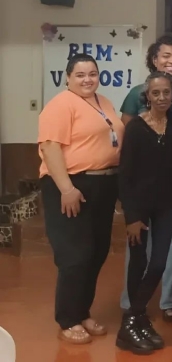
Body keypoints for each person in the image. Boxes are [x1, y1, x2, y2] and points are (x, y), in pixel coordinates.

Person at [38, 53, 124, 345]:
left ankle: (82, 311)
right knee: (75, 255)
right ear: (67, 78)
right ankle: (68, 319)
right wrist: (66, 189)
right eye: (80, 75)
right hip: (71, 185)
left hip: (103, 184)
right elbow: (50, 148)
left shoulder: (103, 102)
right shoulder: (61, 104)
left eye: (92, 74)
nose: (87, 80)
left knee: (97, 252)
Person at [119, 32, 172, 323]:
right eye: (166, 55)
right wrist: (130, 211)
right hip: (139, 195)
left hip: (169, 192)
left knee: (168, 249)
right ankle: (133, 306)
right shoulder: (136, 109)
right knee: (138, 251)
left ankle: (166, 301)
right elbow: (127, 158)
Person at [117, 72, 172, 355]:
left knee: (159, 263)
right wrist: (131, 217)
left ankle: (133, 318)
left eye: (166, 92)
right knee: (138, 263)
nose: (162, 97)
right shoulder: (135, 128)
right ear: (147, 96)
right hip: (139, 208)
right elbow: (125, 174)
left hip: (166, 204)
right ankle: (135, 322)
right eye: (156, 93)